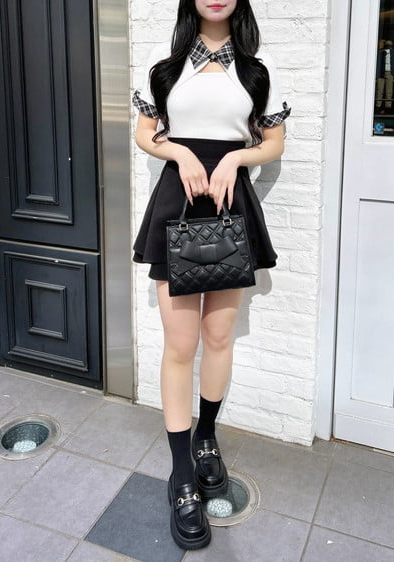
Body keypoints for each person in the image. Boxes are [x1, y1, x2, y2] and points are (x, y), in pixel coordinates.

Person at [132, 0, 291, 550]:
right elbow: (144, 132)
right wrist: (178, 152)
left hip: (230, 204)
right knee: (180, 344)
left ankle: (206, 437)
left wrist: (235, 159)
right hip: (177, 201)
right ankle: (182, 472)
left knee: (219, 336)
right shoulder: (166, 59)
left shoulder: (258, 65)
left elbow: (274, 141)